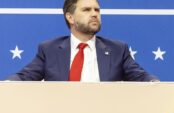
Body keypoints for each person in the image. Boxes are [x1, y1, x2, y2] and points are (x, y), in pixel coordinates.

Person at [8, 0, 158, 82]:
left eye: (97, 10)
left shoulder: (118, 50)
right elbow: (23, 77)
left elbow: (142, 77)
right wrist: (7, 86)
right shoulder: (49, 50)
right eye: (86, 10)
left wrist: (154, 83)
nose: (94, 14)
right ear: (70, 17)